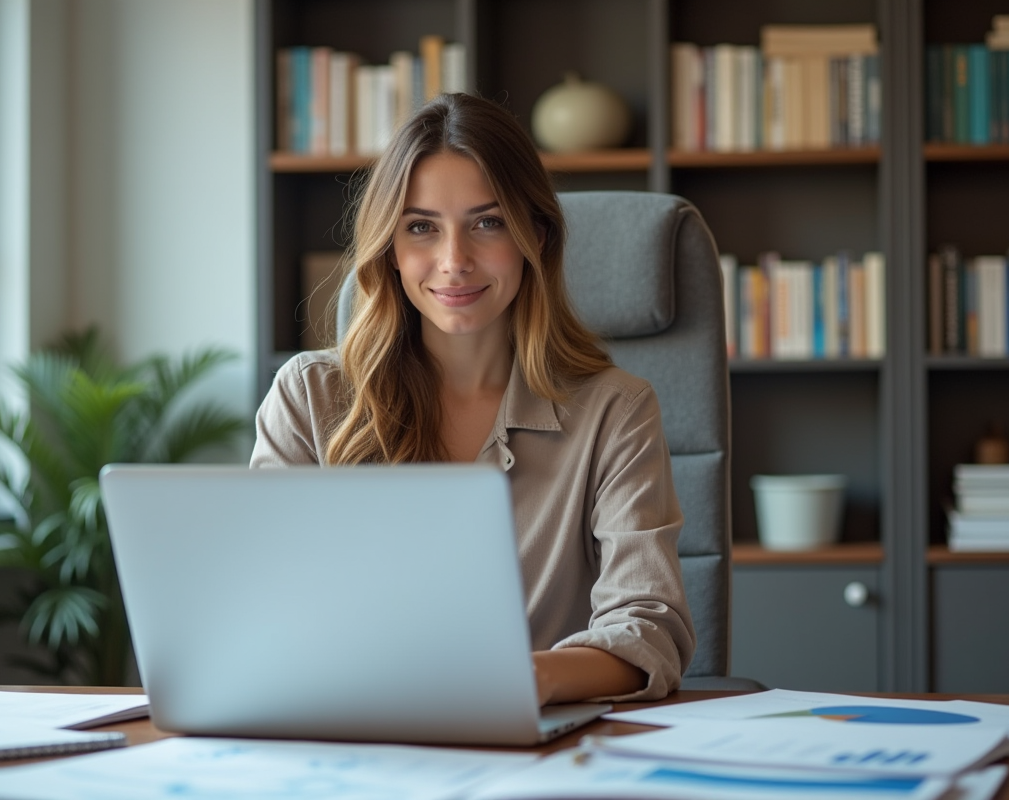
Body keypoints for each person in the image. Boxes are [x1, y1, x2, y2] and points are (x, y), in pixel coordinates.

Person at [251, 92, 694, 704]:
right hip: (353, 734)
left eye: (488, 223)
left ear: (535, 236)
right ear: (390, 248)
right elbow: (263, 611)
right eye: (421, 228)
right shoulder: (308, 397)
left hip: (542, 750)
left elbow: (650, 627)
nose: (454, 261)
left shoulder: (615, 411)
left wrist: (516, 681)